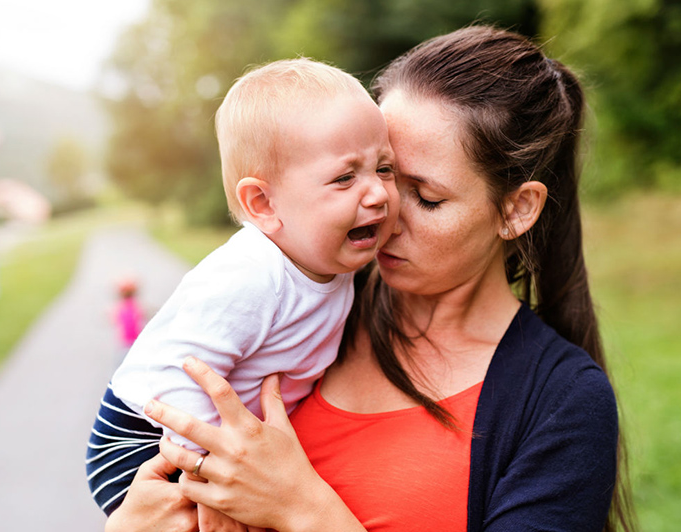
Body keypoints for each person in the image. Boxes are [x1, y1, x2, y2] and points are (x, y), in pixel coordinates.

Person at [91, 24, 635, 532]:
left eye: (426, 197)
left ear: (516, 210)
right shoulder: (309, 306)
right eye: (380, 172)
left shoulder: (563, 403)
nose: (383, 209)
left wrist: (303, 508)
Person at [87, 58, 398, 525]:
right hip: (142, 437)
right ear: (264, 204)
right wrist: (217, 471)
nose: (377, 194)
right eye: (345, 177)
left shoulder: (333, 260)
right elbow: (182, 376)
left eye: (385, 168)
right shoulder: (251, 276)